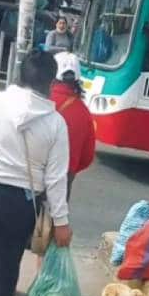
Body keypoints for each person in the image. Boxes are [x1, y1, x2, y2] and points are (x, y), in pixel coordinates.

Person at [0, 49, 73, 296]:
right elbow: (56, 179)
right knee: (6, 263)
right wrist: (62, 223)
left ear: (19, 75)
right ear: (50, 83)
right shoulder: (55, 123)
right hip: (19, 203)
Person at [50, 52, 95, 199]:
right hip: (64, 180)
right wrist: (72, 168)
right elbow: (87, 157)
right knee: (55, 220)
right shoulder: (84, 112)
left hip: (32, 177)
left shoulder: (41, 101)